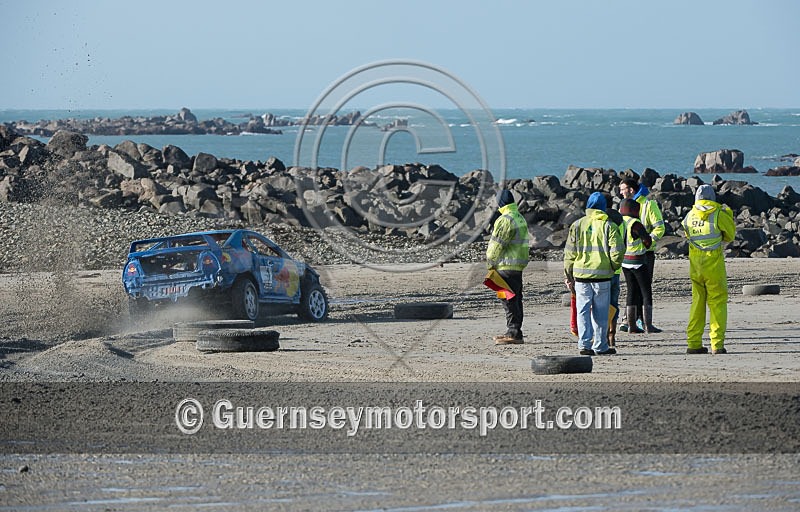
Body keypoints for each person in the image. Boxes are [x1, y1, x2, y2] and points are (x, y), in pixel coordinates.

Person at [564, 192, 625, 355]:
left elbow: (569, 253)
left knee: (583, 311)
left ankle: (584, 345)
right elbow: (618, 251)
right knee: (601, 313)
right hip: (602, 276)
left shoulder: (577, 225)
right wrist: (613, 266)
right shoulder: (609, 225)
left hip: (581, 276)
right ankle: (600, 345)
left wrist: (568, 274)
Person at [681, 184, 736, 355]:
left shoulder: (689, 216)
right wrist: (729, 214)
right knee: (717, 303)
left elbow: (687, 234)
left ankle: (693, 343)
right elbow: (731, 235)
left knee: (697, 303)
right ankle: (717, 344)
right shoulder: (718, 214)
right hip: (714, 264)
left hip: (695, 265)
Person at [618, 177, 665, 332]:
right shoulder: (624, 206)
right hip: (628, 255)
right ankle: (630, 321)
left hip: (645, 253)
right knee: (633, 289)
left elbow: (659, 227)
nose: (620, 192)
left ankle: (640, 321)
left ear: (631, 190)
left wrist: (648, 242)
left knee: (642, 288)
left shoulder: (648, 205)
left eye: (622, 189)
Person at [487, 189, 530, 345]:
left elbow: (497, 244)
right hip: (517, 265)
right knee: (516, 299)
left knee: (507, 300)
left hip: (505, 265)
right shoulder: (519, 217)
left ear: (501, 203)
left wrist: (490, 262)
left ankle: (513, 332)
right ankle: (514, 330)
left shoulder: (505, 219)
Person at [619, 198, 654, 333]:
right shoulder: (635, 223)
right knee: (646, 292)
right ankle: (648, 325)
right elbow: (647, 241)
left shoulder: (620, 222)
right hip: (638, 260)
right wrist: (647, 244)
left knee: (631, 291)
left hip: (625, 261)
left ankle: (631, 325)